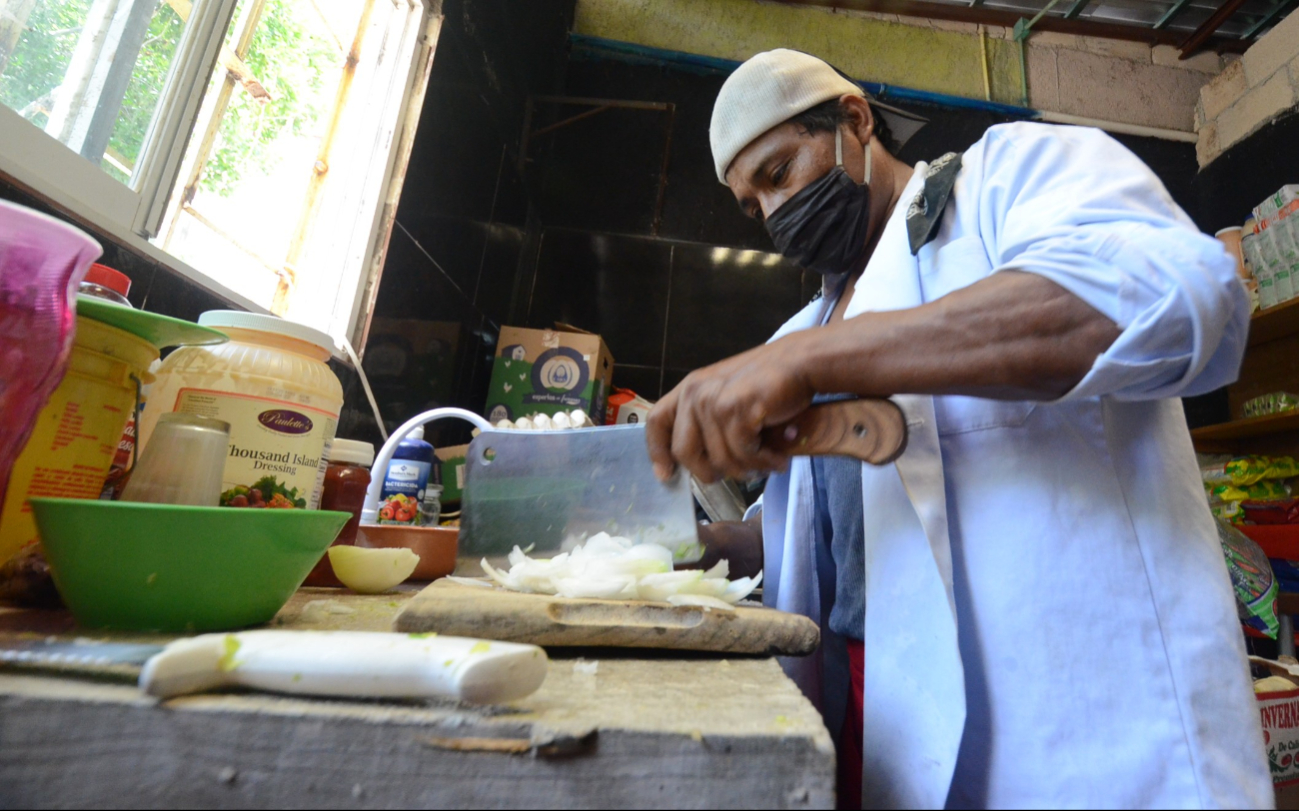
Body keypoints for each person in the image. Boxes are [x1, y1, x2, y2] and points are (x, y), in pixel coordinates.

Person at [646, 49, 1272, 809]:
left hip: (1080, 735)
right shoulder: (803, 327)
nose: (775, 215)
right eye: (752, 206)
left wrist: (820, 359)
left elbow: (1183, 295)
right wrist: (675, 547)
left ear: (853, 120)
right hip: (872, 711)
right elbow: (831, 535)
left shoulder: (1008, 184)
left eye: (778, 174)